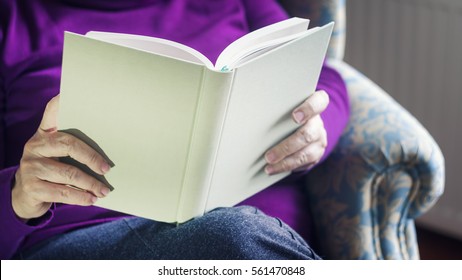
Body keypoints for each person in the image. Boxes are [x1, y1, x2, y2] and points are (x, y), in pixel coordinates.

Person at [0, 0, 349, 259]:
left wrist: (317, 126)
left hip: (265, 230)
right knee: (232, 238)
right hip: (88, 241)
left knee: (237, 237)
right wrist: (20, 194)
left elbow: (322, 74)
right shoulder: (12, 19)